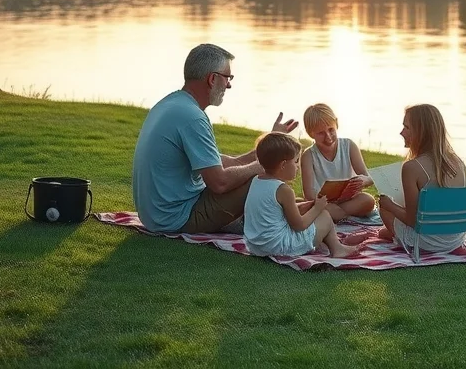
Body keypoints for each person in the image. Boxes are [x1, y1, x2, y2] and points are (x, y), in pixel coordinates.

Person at [131, 43, 298, 233]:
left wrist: (271, 139)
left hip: (156, 216)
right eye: (228, 77)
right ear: (212, 78)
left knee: (254, 174)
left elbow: (229, 163)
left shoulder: (172, 104)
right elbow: (220, 183)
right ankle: (285, 226)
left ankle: (290, 212)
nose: (229, 84)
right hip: (176, 219)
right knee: (264, 178)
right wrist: (268, 165)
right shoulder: (192, 117)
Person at [243, 132, 360, 258]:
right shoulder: (283, 190)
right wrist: (317, 208)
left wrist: (309, 205)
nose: (298, 166)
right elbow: (299, 225)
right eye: (295, 161)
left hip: (256, 246)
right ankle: (338, 249)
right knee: (324, 215)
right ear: (283, 165)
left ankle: (331, 244)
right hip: (279, 246)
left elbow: (278, 211)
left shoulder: (256, 181)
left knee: (308, 210)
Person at [376, 104, 466, 254]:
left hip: (427, 242)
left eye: (406, 127)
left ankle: (397, 236)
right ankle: (391, 234)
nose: (401, 132)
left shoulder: (412, 167)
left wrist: (387, 205)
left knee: (386, 208)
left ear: (421, 132)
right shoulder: (458, 163)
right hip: (455, 239)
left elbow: (412, 221)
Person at [299, 103, 376, 222]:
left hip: (348, 200)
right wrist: (326, 206)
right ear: (310, 133)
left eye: (331, 130)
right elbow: (309, 194)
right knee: (305, 204)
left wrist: (363, 181)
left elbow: (368, 177)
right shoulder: (308, 156)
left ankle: (336, 215)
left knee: (368, 201)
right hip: (322, 204)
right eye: (321, 133)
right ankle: (336, 215)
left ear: (337, 124)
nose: (328, 137)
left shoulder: (349, 146)